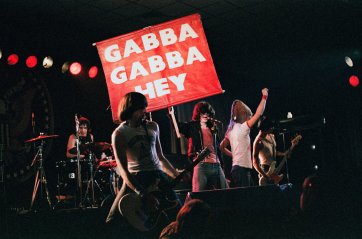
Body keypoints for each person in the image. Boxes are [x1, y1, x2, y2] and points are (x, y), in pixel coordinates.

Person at [105, 92, 180, 224]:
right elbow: (123, 171)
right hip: (136, 177)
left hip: (157, 175)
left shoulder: (153, 126)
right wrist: (142, 193)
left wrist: (175, 174)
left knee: (180, 214)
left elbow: (161, 158)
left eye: (144, 108)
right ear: (129, 109)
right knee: (112, 220)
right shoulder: (119, 133)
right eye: (140, 109)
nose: (144, 112)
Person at [219, 88, 268, 187]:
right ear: (244, 115)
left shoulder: (231, 130)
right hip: (241, 170)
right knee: (247, 198)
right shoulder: (243, 128)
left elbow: (221, 147)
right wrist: (264, 96)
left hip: (238, 169)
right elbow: (259, 113)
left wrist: (235, 155)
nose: (250, 119)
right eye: (249, 116)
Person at [177, 101, 228, 192]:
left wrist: (222, 166)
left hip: (216, 164)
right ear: (198, 113)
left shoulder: (212, 128)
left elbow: (218, 149)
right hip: (201, 164)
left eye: (208, 113)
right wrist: (172, 114)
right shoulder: (192, 126)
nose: (205, 115)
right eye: (203, 112)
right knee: (198, 192)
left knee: (225, 190)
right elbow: (177, 126)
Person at [252, 116, 299, 186]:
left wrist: (283, 154)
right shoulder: (258, 142)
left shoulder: (271, 136)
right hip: (265, 170)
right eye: (271, 127)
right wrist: (265, 176)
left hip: (273, 167)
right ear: (265, 128)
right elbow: (255, 162)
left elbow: (272, 151)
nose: (273, 128)